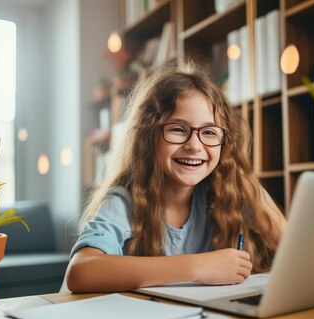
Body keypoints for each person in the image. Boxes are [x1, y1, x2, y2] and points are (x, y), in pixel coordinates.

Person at [66, 60, 286, 293]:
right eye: (178, 129)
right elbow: (81, 271)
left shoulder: (227, 191)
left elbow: (294, 248)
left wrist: (250, 188)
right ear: (148, 136)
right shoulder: (125, 202)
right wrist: (198, 266)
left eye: (209, 132)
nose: (194, 145)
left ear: (224, 142)